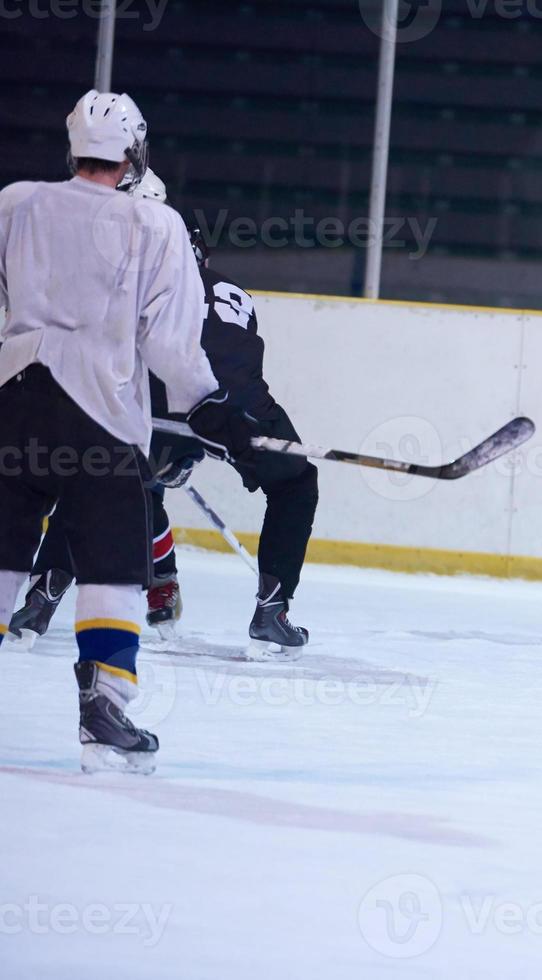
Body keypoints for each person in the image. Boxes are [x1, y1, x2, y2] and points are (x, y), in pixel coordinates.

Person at [0, 91, 260, 773]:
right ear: (134, 153)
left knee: (1, 549)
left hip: (15, 404)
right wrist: (212, 407)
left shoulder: (15, 203)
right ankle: (103, 711)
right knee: (114, 567)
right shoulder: (158, 225)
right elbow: (172, 347)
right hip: (100, 415)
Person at [7, 169, 316, 662]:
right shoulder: (233, 290)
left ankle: (41, 601)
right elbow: (237, 362)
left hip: (167, 397)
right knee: (296, 483)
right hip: (235, 410)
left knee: (98, 472)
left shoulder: (124, 281)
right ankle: (272, 612)